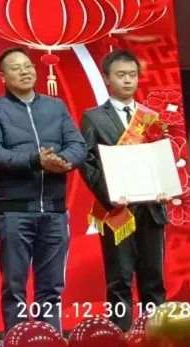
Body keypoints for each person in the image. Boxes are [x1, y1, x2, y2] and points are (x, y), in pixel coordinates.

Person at [0, 47, 87, 333]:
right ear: (2, 76)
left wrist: (63, 161)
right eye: (16, 68)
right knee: (14, 285)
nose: (24, 71)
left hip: (54, 211)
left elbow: (78, 145)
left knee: (51, 287)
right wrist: (35, 160)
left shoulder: (55, 107)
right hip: (15, 212)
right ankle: (17, 337)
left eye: (28, 66)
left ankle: (50, 337)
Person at [78, 49, 168, 330]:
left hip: (152, 208)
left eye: (132, 75)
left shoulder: (150, 117)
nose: (128, 80)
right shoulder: (93, 117)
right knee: (119, 280)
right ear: (107, 78)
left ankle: (157, 334)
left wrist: (164, 186)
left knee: (154, 279)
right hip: (116, 210)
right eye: (121, 75)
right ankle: (121, 335)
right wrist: (111, 194)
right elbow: (86, 162)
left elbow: (161, 158)